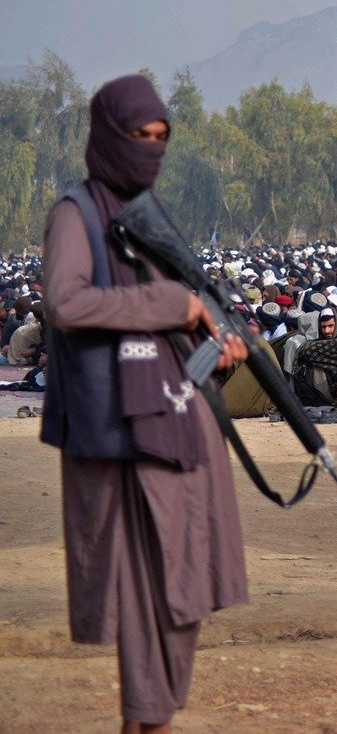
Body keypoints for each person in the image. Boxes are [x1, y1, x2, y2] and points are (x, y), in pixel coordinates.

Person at [41, 74, 249, 729]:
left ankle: (150, 719)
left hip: (182, 420)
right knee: (143, 591)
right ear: (108, 137)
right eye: (140, 137)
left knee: (185, 586)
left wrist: (216, 336)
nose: (151, 150)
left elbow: (189, 308)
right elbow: (66, 302)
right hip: (120, 432)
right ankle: (148, 719)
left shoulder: (151, 218)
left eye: (162, 139)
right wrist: (171, 304)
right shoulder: (76, 214)